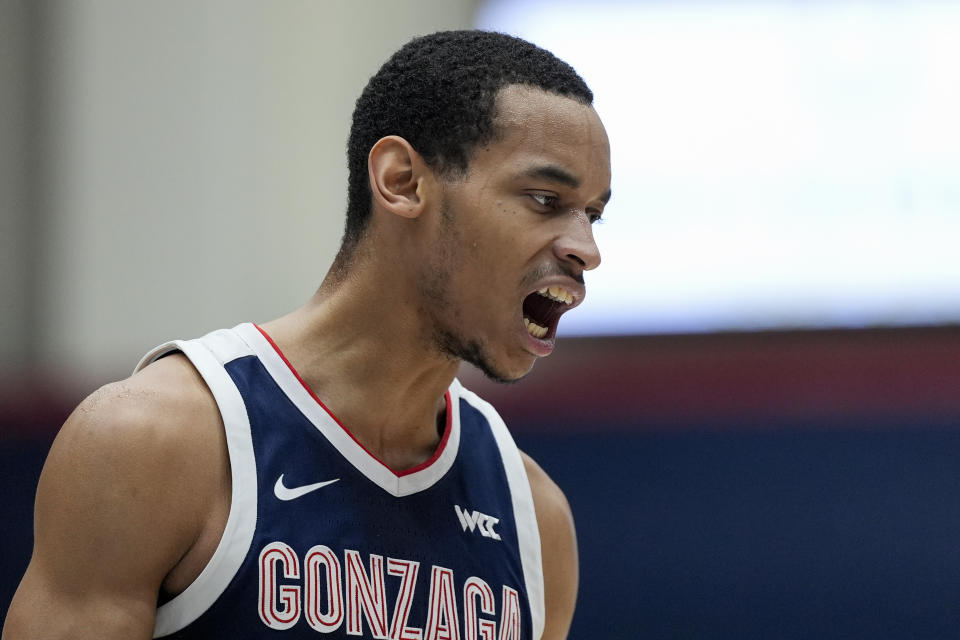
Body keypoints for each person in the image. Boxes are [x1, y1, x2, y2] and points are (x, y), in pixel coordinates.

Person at [3, 30, 610, 639]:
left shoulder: (535, 518)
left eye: (594, 214)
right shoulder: (155, 442)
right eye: (544, 198)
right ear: (402, 180)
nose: (586, 249)